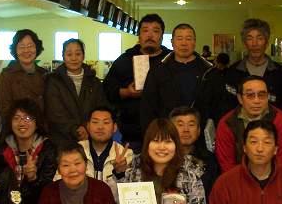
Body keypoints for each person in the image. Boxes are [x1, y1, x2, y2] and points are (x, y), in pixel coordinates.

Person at [199, 18, 282, 126]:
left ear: (267, 42)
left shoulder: (279, 73)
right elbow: (224, 108)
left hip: (272, 130)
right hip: (238, 131)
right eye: (250, 38)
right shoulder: (232, 73)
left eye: (259, 38)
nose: (255, 43)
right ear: (244, 42)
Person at [103, 13, 171, 149]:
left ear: (162, 36)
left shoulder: (170, 60)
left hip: (165, 133)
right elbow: (107, 90)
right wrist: (126, 92)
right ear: (139, 36)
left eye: (155, 31)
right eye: (145, 31)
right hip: (130, 134)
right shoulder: (124, 60)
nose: (150, 35)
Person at [139, 23, 212, 132]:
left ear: (194, 42)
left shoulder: (209, 70)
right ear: (172, 42)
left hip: (200, 133)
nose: (184, 43)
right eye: (179, 39)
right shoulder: (159, 70)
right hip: (166, 133)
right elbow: (148, 106)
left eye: (188, 39)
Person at [215, 76, 282, 173]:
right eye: (250, 95)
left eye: (261, 95)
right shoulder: (227, 123)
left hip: (275, 178)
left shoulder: (281, 120)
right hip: (237, 179)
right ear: (240, 98)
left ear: (268, 97)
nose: (256, 101)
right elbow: (226, 165)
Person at [44, 38, 108, 149]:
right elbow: (55, 112)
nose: (74, 58)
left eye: (78, 54)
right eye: (69, 54)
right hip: (61, 140)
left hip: (90, 137)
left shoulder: (94, 82)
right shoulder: (53, 81)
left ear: (83, 56)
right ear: (63, 56)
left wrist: (88, 127)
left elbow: (100, 107)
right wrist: (75, 129)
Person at [79, 107, 133, 203]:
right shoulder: (76, 151)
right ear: (88, 126)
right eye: (95, 122)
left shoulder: (126, 154)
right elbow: (60, 185)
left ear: (114, 127)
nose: (100, 127)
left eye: (106, 122)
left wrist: (119, 174)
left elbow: (131, 195)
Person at [0, 29, 48, 127]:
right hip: (16, 128)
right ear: (15, 50)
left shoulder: (44, 74)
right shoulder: (6, 75)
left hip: (41, 128)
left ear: (37, 48)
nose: (26, 50)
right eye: (21, 47)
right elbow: (4, 109)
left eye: (30, 46)